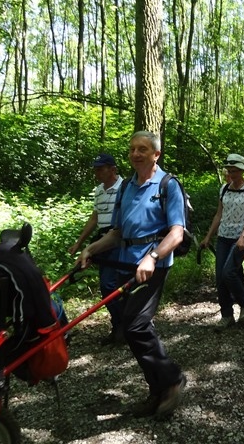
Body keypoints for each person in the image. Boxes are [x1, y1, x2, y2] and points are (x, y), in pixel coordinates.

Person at [77, 131, 186, 418]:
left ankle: (172, 378)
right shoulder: (126, 188)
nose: (136, 154)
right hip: (127, 265)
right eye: (132, 150)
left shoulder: (167, 184)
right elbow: (116, 233)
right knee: (132, 328)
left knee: (135, 325)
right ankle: (158, 390)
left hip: (154, 265)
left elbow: (176, 233)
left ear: (155, 155)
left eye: (143, 149)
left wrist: (152, 257)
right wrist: (91, 248)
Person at [68, 153, 124, 346]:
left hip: (119, 240)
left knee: (110, 285)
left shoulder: (124, 188)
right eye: (96, 169)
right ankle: (120, 326)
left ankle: (122, 327)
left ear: (113, 169)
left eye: (101, 169)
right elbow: (95, 218)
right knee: (108, 285)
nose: (97, 173)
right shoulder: (99, 190)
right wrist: (79, 242)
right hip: (102, 241)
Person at [200, 154, 244, 331]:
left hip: (241, 238)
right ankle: (226, 315)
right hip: (223, 237)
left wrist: (243, 237)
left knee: (228, 273)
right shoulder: (224, 189)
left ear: (242, 170)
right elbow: (219, 214)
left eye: (235, 170)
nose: (232, 174)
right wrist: (208, 236)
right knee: (220, 277)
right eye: (230, 170)